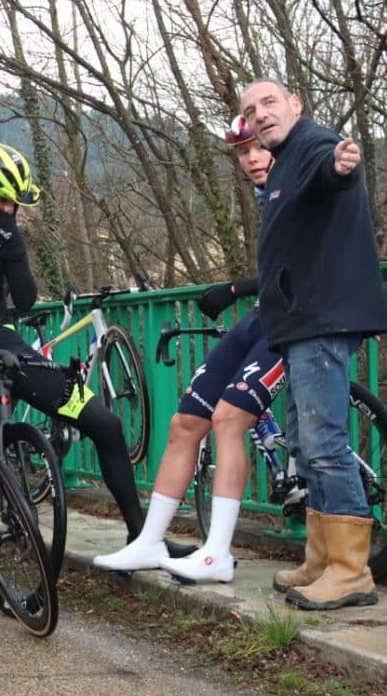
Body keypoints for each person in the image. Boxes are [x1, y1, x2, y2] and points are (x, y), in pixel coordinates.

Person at [0, 141, 174, 553]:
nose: (8, 210)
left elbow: (24, 301)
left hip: (3, 345)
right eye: (1, 202)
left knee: (105, 424)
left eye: (14, 205)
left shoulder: (7, 232)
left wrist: (13, 248)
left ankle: (142, 537)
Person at [95, 116, 277, 581]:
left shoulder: (299, 186)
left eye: (259, 148)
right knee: (185, 423)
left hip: (301, 322)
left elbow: (306, 270)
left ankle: (217, 554)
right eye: (243, 152)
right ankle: (149, 542)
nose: (252, 158)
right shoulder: (266, 196)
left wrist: (237, 287)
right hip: (263, 316)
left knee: (228, 418)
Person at [240, 79, 387, 611]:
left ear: (296, 105)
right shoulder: (282, 162)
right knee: (304, 443)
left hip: (321, 318)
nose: (260, 114)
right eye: (251, 110)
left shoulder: (314, 145)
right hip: (299, 321)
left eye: (270, 102)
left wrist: (342, 165)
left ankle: (351, 571)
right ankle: (322, 559)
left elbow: (334, 171)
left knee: (324, 444)